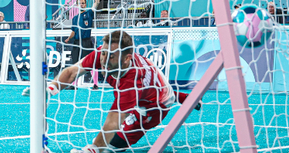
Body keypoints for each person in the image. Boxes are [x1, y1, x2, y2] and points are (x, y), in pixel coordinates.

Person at [48, 30, 199, 153]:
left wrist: (93, 149)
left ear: (127, 59)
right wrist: (50, 89)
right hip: (153, 81)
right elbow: (72, 72)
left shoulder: (133, 82)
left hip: (155, 106)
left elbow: (113, 121)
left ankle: (181, 97)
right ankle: (183, 96)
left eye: (111, 56)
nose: (104, 60)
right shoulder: (105, 54)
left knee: (113, 146)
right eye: (104, 53)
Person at [64, 0, 98, 89]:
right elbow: (73, 31)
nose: (82, 5)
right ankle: (74, 85)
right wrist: (68, 38)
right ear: (77, 5)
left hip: (86, 42)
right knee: (75, 63)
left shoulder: (89, 14)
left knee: (92, 63)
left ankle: (95, 84)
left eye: (83, 3)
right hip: (76, 42)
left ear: (85, 5)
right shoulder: (75, 18)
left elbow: (96, 2)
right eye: (80, 3)